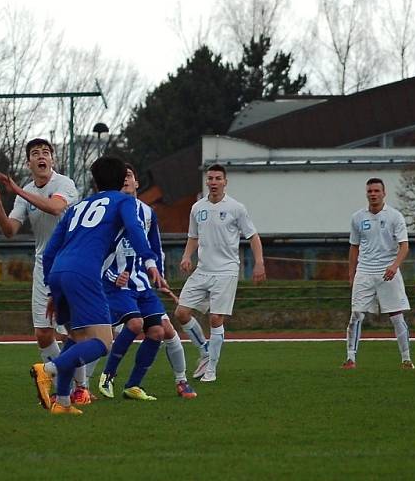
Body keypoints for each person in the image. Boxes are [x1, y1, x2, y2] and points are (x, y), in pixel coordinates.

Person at [30, 156, 164, 416]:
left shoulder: (78, 206)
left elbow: (49, 252)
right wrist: (149, 261)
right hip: (84, 273)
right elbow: (136, 230)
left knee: (77, 338)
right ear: (121, 179)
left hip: (58, 271)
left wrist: (50, 289)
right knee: (103, 343)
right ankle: (46, 371)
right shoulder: (124, 201)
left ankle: (63, 402)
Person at [0, 139, 93, 403]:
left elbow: (55, 207)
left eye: (46, 152)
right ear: (29, 162)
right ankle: (59, 383)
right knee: (43, 333)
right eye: (35, 153)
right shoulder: (27, 190)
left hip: (70, 265)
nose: (41, 156)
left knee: (72, 332)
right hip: (44, 266)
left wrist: (17, 190)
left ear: (52, 160)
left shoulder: (64, 184)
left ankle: (81, 387)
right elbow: (10, 230)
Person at [97, 163, 197, 401]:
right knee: (123, 328)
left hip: (143, 286)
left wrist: (158, 274)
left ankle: (134, 385)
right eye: (121, 176)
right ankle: (107, 375)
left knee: (159, 332)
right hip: (116, 287)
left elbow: (155, 248)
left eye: (129, 175)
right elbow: (97, 250)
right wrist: (111, 276)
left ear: (137, 183)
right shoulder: (108, 211)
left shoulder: (148, 213)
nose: (125, 179)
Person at [174, 164, 265, 383]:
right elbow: (193, 236)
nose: (213, 182)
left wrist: (259, 263)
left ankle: (211, 369)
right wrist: (187, 256)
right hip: (203, 270)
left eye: (218, 178)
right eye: (210, 179)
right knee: (181, 313)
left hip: (226, 271)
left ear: (225, 182)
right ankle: (205, 351)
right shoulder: (197, 208)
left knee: (215, 318)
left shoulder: (236, 208)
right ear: (207, 182)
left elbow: (253, 236)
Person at [343, 177, 414, 370]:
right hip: (365, 272)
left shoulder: (395, 216)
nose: (373, 194)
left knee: (396, 316)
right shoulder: (357, 217)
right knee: (356, 314)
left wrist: (394, 265)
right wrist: (352, 272)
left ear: (384, 193)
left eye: (376, 191)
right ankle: (350, 358)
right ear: (366, 193)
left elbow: (404, 246)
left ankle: (406, 359)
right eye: (370, 191)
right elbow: (354, 247)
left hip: (387, 272)